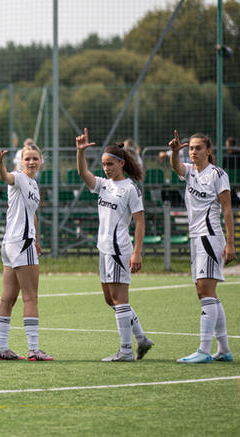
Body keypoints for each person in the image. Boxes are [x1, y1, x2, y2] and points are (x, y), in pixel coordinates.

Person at [76, 128, 153, 362]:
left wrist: (137, 252)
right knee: (110, 299)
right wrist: (80, 153)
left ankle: (126, 351)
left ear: (121, 163)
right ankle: (141, 339)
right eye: (103, 164)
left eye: (110, 164)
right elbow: (83, 173)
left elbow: (140, 222)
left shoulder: (130, 189)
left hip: (120, 249)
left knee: (120, 300)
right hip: (104, 249)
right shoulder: (104, 185)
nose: (106, 168)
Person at [167, 132, 236, 364]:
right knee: (206, 293)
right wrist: (175, 152)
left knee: (205, 292)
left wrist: (231, 242)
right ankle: (224, 350)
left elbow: (227, 209)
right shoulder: (190, 172)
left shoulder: (217, 174)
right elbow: (177, 168)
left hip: (210, 236)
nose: (193, 151)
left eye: (198, 148)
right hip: (196, 237)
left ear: (209, 151)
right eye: (191, 148)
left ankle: (204, 350)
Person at [0, 140, 52, 361]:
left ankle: (2, 348)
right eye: (28, 158)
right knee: (30, 298)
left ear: (41, 161)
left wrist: (36, 238)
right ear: (20, 161)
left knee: (8, 298)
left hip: (13, 244)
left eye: (35, 158)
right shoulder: (19, 177)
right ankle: (34, 349)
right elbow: (5, 176)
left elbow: (31, 213)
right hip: (20, 243)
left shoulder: (34, 185)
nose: (32, 161)